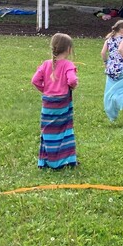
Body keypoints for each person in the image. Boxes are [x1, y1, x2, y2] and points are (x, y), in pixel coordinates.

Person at [31, 33, 78, 170]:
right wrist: (73, 86)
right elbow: (73, 80)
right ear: (68, 49)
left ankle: (46, 160)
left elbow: (35, 80)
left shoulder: (46, 64)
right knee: (64, 130)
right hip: (62, 102)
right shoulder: (68, 64)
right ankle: (65, 159)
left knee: (48, 130)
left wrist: (45, 90)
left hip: (48, 103)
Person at [101, 19, 123, 123]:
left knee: (111, 88)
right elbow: (121, 50)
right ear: (121, 30)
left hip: (111, 69)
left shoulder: (108, 40)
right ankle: (118, 100)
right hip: (122, 68)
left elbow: (103, 53)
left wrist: (105, 63)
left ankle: (111, 112)